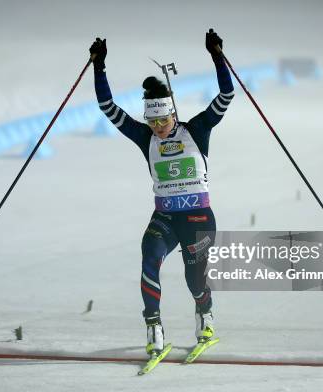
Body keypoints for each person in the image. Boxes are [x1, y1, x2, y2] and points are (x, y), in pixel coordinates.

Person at [89, 29, 234, 356]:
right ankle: (153, 328)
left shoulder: (196, 130)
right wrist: (100, 67)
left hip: (198, 217)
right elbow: (107, 106)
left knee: (194, 276)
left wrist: (217, 56)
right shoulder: (145, 138)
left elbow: (226, 94)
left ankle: (204, 314)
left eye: (163, 119)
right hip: (166, 216)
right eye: (152, 120)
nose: (157, 126)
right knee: (150, 257)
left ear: (173, 113)